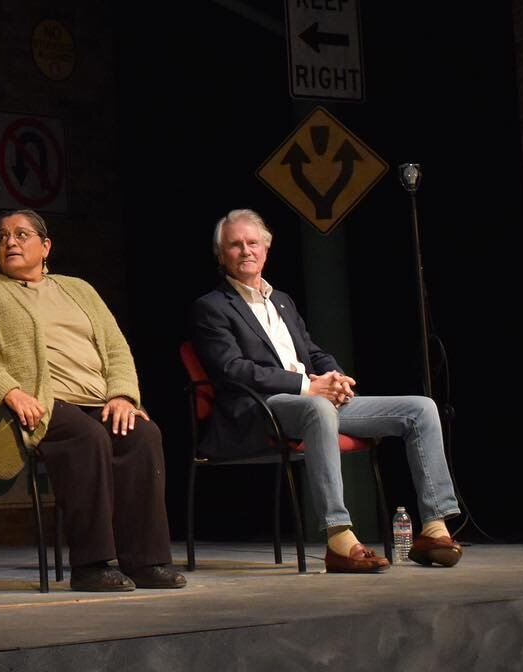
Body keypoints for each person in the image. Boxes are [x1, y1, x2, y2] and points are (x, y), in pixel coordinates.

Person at [189, 208, 462, 573]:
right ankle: (338, 536)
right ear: (221, 255)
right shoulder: (211, 307)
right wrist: (308, 386)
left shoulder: (282, 300)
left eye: (252, 243)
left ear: (266, 250)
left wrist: (335, 376)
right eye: (235, 245)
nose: (245, 251)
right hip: (261, 409)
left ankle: (433, 528)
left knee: (421, 408)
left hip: (314, 398)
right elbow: (232, 369)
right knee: (318, 409)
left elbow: (312, 352)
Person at [0, 210, 185, 593]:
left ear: (46, 246)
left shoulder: (79, 289)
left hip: (98, 399)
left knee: (143, 434)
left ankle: (145, 561)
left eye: (22, 234)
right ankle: (92, 565)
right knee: (87, 437)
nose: (10, 242)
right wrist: (10, 390)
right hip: (39, 403)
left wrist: (123, 394)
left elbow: (116, 347)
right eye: (2, 236)